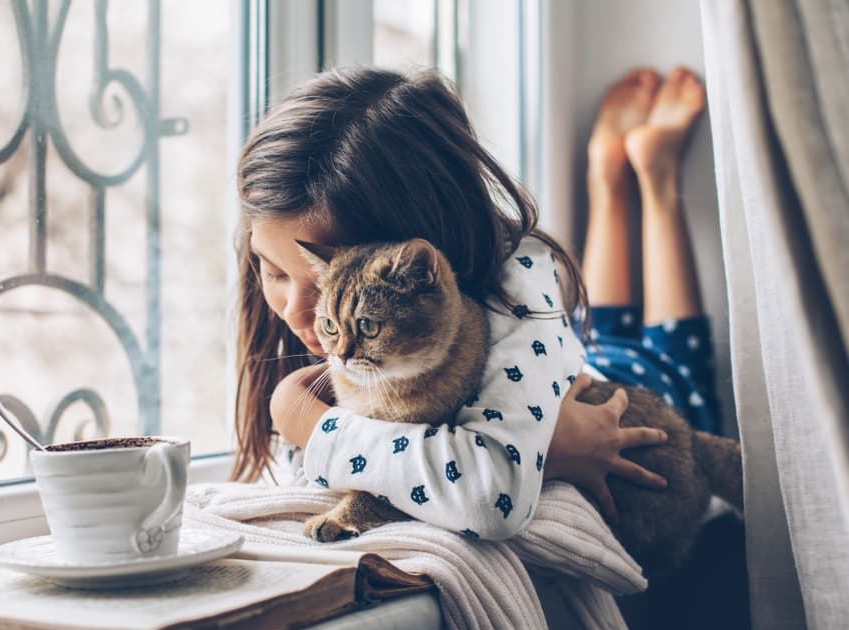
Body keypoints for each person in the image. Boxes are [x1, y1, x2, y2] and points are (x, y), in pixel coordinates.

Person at [232, 66, 670, 540]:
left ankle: (643, 181)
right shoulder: (332, 315)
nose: (301, 314)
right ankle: (613, 179)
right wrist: (547, 449)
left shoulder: (520, 280)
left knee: (655, 348)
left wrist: (308, 421)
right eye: (274, 272)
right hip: (573, 343)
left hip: (632, 392)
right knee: (607, 322)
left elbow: (491, 498)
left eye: (324, 287)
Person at [580, 66, 720, 434]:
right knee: (600, 347)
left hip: (643, 408)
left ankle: (656, 181)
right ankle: (608, 182)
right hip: (583, 372)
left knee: (683, 381)